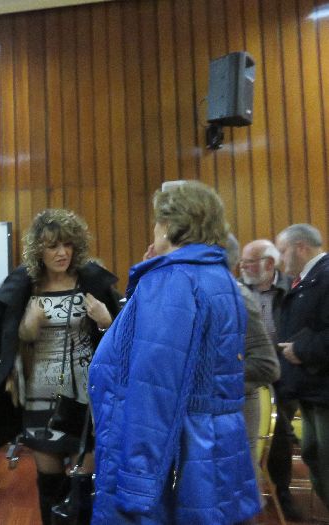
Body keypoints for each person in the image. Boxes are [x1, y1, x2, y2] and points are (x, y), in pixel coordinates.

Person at [89, 181, 260, 524]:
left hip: (178, 454)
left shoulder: (173, 280)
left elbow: (154, 390)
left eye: (157, 221)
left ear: (168, 225)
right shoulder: (219, 277)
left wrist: (137, 480)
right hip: (215, 445)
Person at [0, 208, 121, 524]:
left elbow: (122, 338)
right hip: (40, 397)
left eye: (67, 244)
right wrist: (27, 327)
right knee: (50, 486)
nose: (62, 253)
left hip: (86, 397)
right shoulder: (26, 287)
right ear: (38, 251)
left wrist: (106, 321)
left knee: (83, 487)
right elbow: (7, 342)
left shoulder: (91, 283)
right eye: (52, 246)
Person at [240, 238, 299, 520]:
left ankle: (282, 492)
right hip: (249, 370)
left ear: (269, 263)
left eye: (250, 263)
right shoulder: (237, 291)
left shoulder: (292, 289)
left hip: (284, 370)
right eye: (242, 262)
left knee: (281, 435)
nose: (244, 267)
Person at [275, 223, 329, 513]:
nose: (280, 260)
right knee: (313, 453)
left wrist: (300, 350)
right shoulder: (310, 279)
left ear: (300, 247)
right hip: (311, 389)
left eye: (283, 251)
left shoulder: (325, 277)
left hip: (323, 389)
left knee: (324, 458)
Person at [227, 234, 280, 510]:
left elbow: (267, 366)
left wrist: (211, 375)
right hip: (227, 408)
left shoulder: (237, 296)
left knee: (238, 495)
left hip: (240, 404)